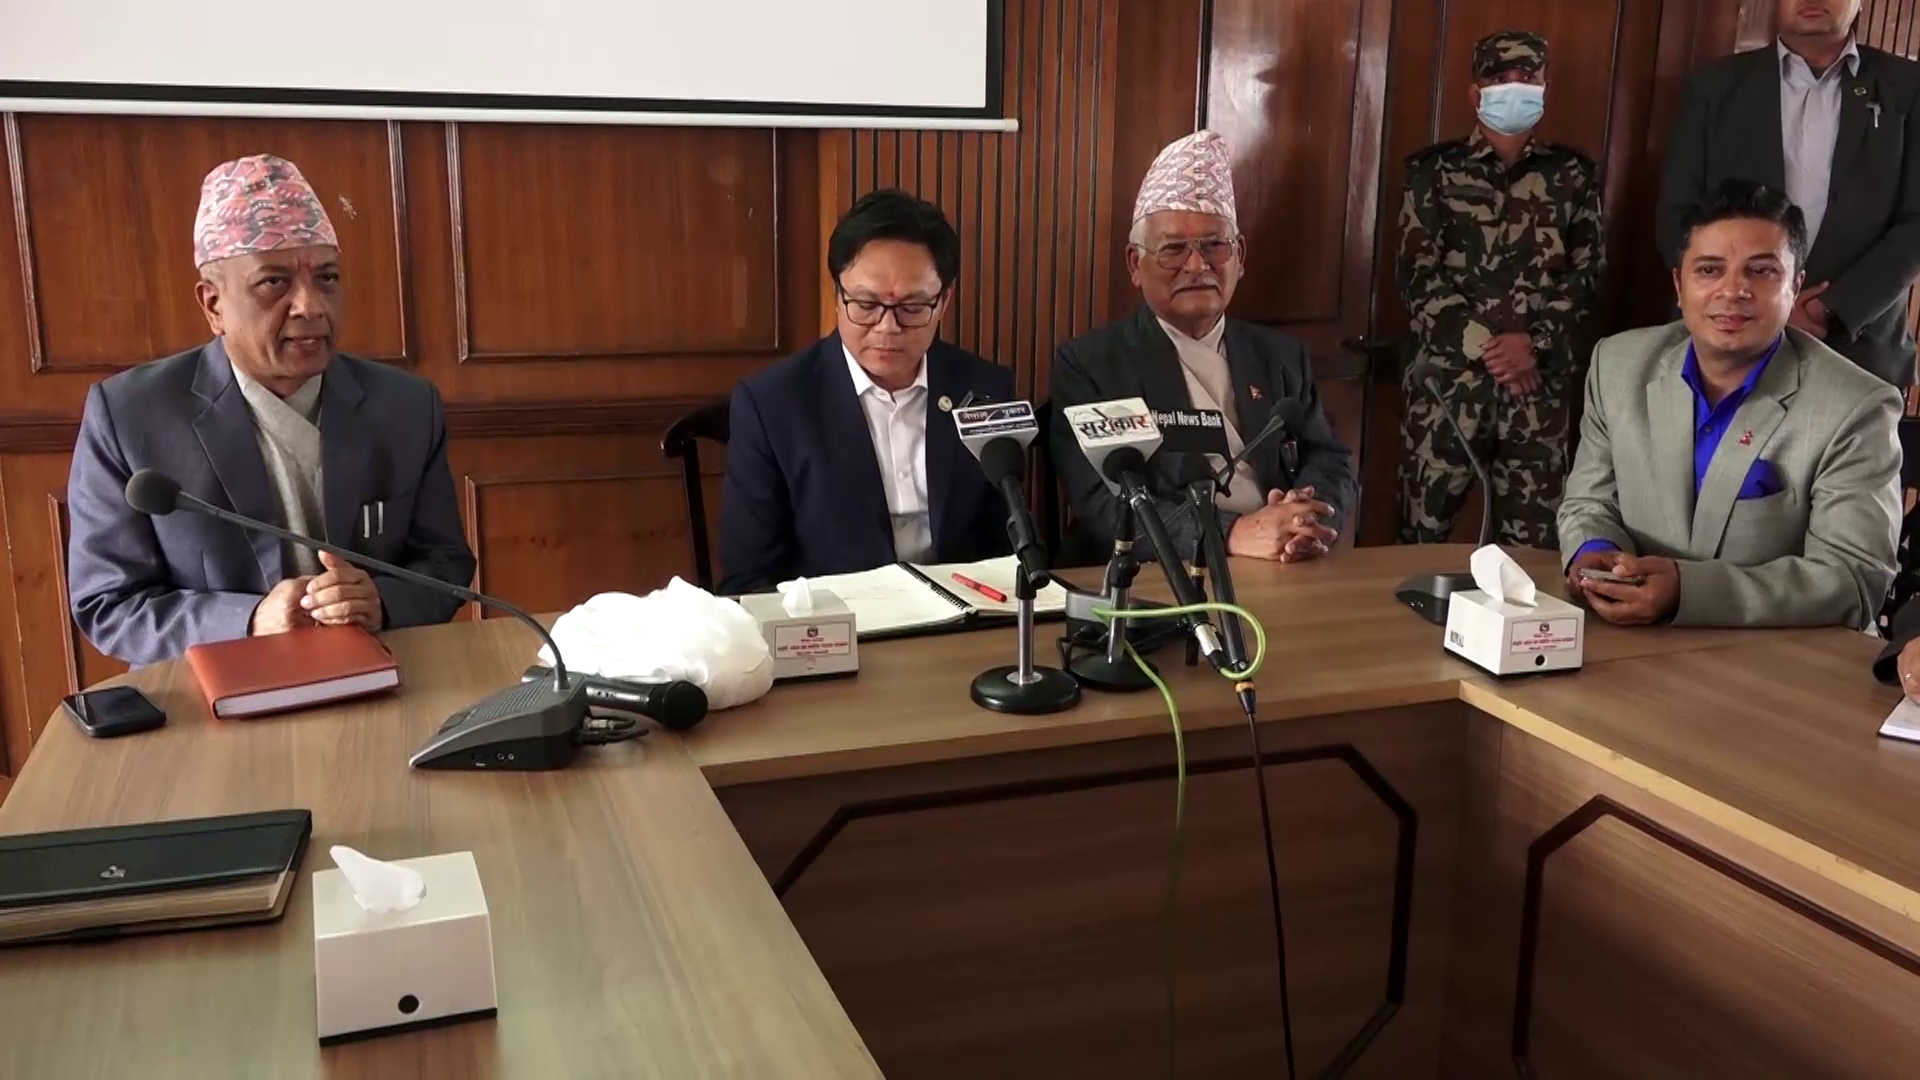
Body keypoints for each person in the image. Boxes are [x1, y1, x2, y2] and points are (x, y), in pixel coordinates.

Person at [65, 154, 476, 667]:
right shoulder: (131, 417)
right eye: (274, 282)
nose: (311, 305)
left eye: (327, 278)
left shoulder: (407, 406)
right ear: (213, 304)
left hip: (381, 675)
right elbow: (108, 602)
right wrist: (250, 620)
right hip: (217, 688)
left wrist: (382, 600)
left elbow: (445, 561)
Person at [1559, 179, 1901, 630]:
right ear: (1679, 284)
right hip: (1632, 638)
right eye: (1709, 270)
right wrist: (1594, 552)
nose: (1733, 290)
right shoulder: (1618, 366)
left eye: (1761, 271)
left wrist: (1688, 590)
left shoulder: (1856, 407)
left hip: (1780, 656)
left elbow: (1853, 580)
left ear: (1795, 287)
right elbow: (1588, 502)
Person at [1049, 130, 1355, 567]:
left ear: (1240, 256)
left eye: (1215, 246)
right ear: (1135, 264)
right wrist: (1230, 534)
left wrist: (1304, 520)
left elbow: (1328, 458)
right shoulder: (1092, 364)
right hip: (1159, 572)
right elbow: (1103, 502)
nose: (1197, 265)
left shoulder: (1282, 356)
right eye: (1173, 249)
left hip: (1283, 561)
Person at [718, 189, 1013, 593]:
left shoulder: (986, 389)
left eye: (912, 308)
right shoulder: (772, 406)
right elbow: (749, 580)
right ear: (837, 296)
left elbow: (1005, 552)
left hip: (964, 617)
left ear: (944, 301)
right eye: (866, 304)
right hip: (836, 622)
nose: (887, 327)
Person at [1395, 30, 1605, 550]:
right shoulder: (1432, 172)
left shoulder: (1573, 175)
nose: (1514, 87)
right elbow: (1418, 273)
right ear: (1476, 92)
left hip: (1537, 391)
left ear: (1544, 86)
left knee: (1533, 554)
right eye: (1499, 77)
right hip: (1449, 389)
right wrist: (1490, 349)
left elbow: (1586, 274)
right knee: (1419, 542)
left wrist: (1534, 344)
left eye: (1527, 77)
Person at [1658, 0, 1920, 388]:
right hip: (1726, 339)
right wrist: (1758, 303)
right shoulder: (1713, 87)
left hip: (1858, 347)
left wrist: (1828, 309)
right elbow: (1678, 216)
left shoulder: (1908, 88)